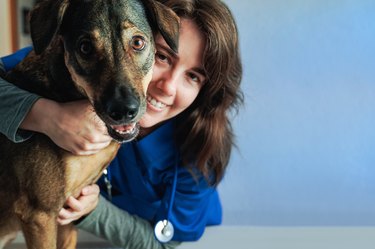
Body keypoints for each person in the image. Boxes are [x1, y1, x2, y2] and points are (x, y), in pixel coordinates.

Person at [0, 0, 243, 248]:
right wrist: (46, 116)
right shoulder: (58, 62)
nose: (167, 87)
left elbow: (164, 242)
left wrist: (92, 211)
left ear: (206, 88)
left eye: (193, 76)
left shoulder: (199, 156)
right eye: (162, 57)